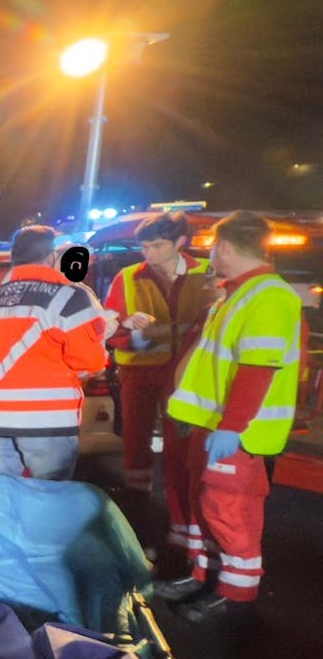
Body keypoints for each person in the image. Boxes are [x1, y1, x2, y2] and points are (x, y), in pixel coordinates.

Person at [159, 212, 304, 624]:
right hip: (212, 426)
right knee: (205, 505)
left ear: (224, 247)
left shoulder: (270, 297)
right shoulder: (238, 293)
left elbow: (257, 369)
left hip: (240, 433)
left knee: (229, 509)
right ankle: (204, 576)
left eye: (211, 248)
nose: (209, 256)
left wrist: (231, 428)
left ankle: (236, 593)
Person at [101, 213, 215, 551]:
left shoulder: (204, 275)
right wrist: (126, 328)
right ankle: (140, 515)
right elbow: (109, 327)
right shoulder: (128, 277)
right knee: (136, 448)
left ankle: (182, 531)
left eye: (157, 245)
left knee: (180, 451)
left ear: (181, 242)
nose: (148, 252)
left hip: (184, 374)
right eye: (145, 245)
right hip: (138, 371)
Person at [0, 226, 115, 480]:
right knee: (49, 502)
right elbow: (92, 361)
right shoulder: (69, 298)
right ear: (50, 258)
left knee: (2, 497)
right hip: (47, 423)